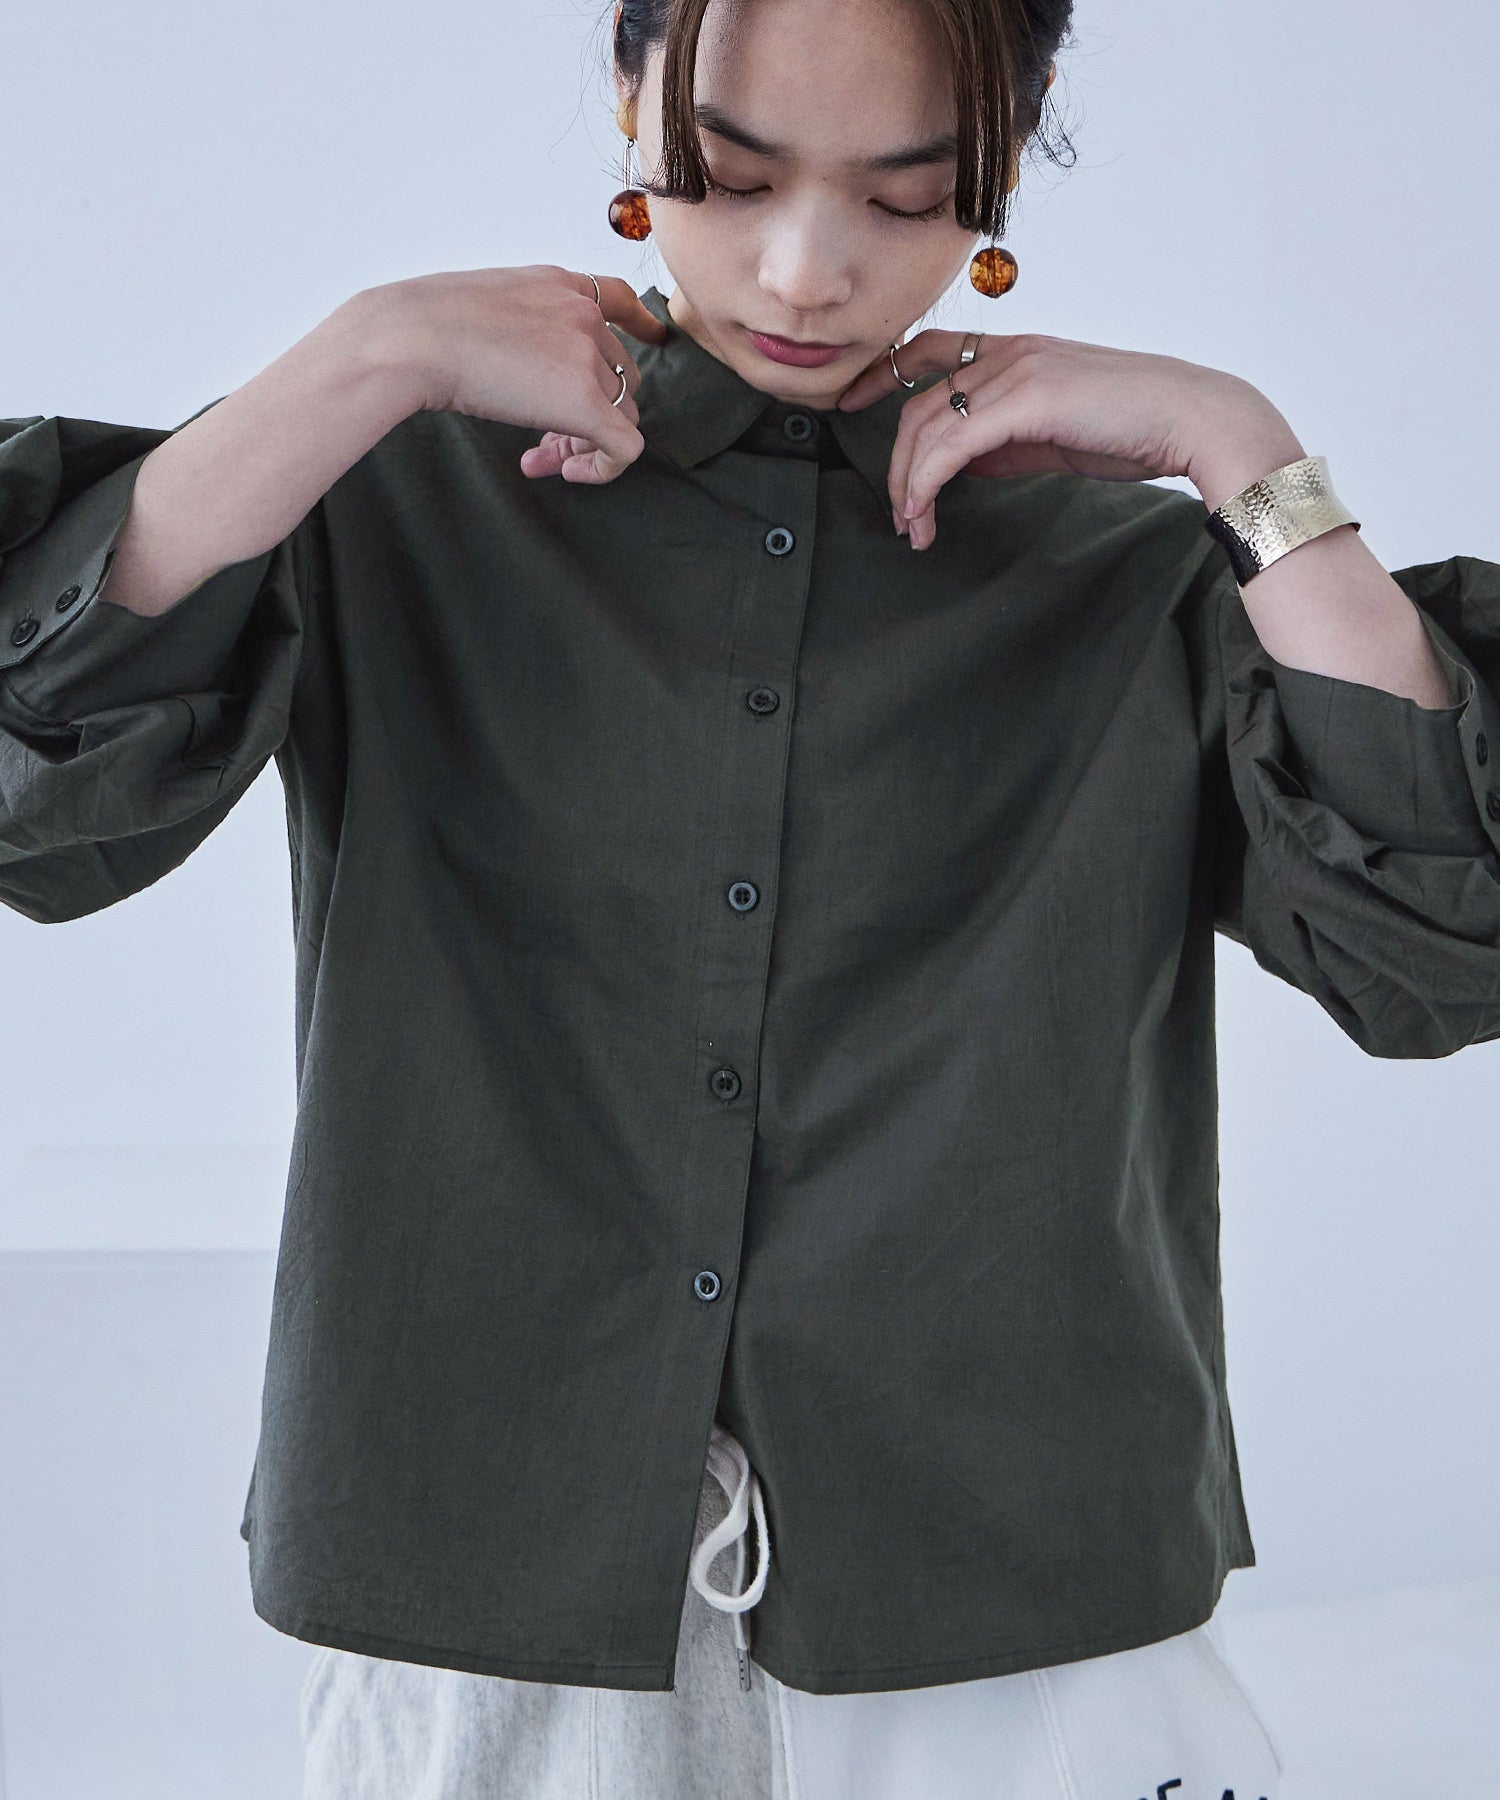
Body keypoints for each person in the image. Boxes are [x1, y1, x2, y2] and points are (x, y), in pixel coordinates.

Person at [3, 0, 1498, 1794]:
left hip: (1017, 1595)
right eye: (732, 175)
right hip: (478, 1581)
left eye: (904, 196)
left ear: (1003, 165)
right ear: (631, 95)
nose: (806, 271)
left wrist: (1240, 447)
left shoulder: (1132, 572)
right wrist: (359, 357)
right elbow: (35, 779)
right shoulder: (395, 491)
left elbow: (1444, 943)